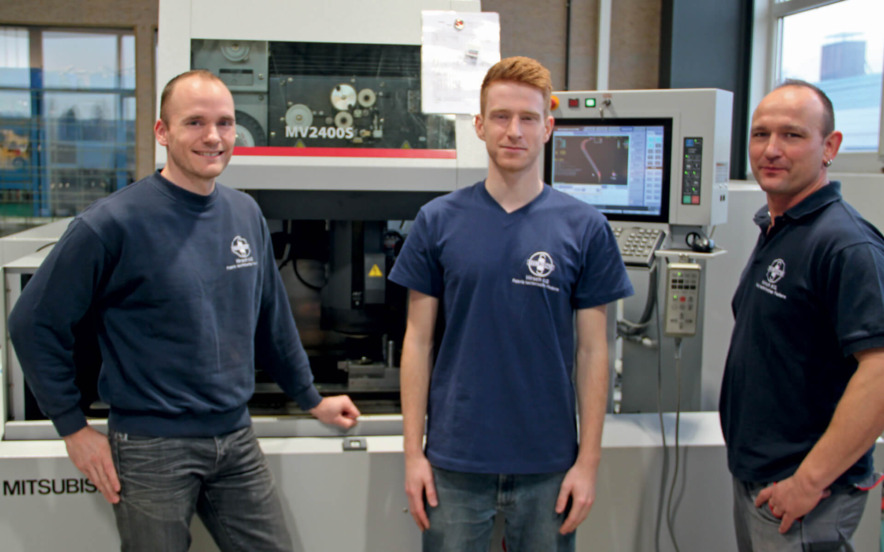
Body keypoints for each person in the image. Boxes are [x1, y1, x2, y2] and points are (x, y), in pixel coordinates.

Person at [8, 69, 360, 552]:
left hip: (235, 437)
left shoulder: (244, 213)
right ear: (162, 132)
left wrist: (311, 397)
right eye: (194, 122)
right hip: (150, 449)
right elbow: (32, 323)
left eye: (225, 123)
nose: (213, 137)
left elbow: (271, 319)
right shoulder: (111, 224)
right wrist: (72, 427)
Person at [388, 56, 634, 551]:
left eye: (528, 118)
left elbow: (592, 352)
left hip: (549, 464)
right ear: (479, 125)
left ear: (549, 127)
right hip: (454, 463)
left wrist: (588, 463)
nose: (514, 131)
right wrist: (413, 454)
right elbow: (417, 342)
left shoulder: (585, 227)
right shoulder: (436, 222)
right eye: (500, 117)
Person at [719, 79, 884, 551]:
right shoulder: (780, 227)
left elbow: (880, 370)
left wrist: (808, 482)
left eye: (792, 135)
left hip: (807, 495)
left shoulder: (845, 244)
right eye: (760, 134)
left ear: (829, 146)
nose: (771, 150)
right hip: (760, 481)